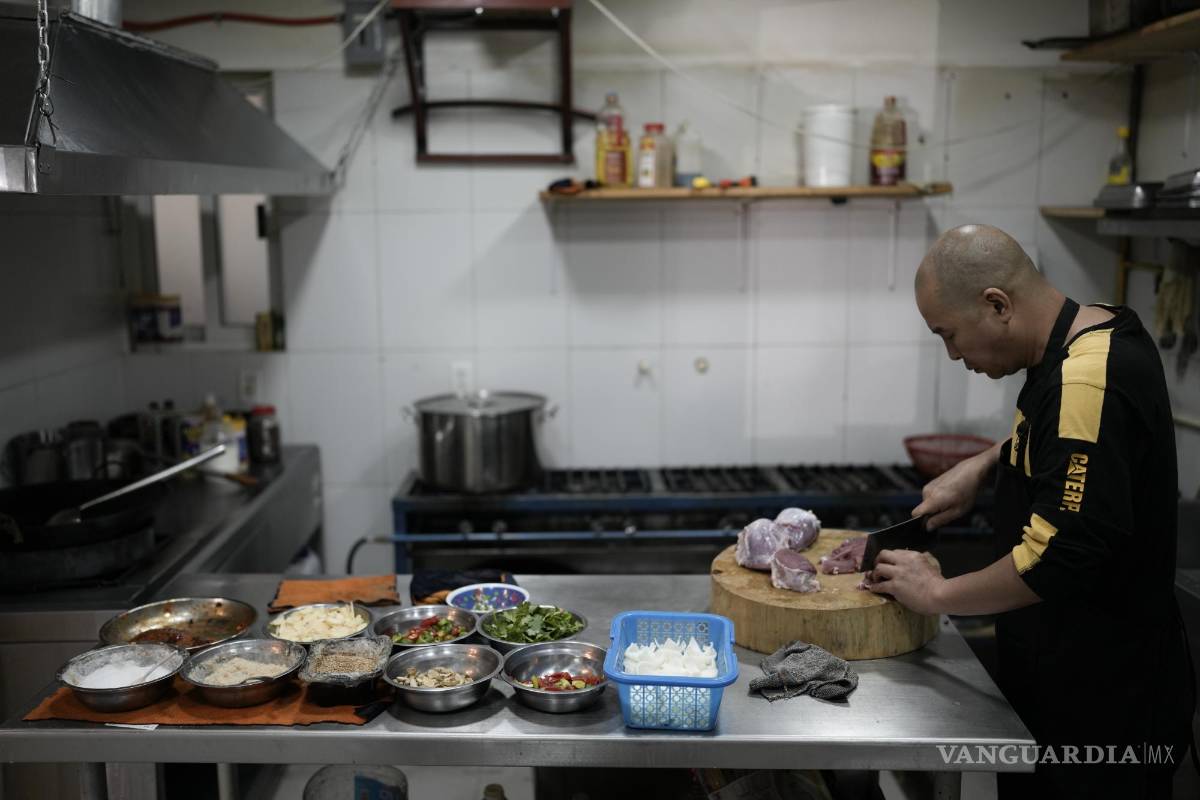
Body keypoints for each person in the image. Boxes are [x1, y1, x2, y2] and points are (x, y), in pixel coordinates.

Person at [865, 224, 1194, 798]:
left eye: (950, 334)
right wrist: (990, 462)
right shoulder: (1095, 330)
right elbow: (1074, 441)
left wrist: (937, 594)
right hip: (1061, 684)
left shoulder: (1090, 377)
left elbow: (1058, 557)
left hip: (1101, 709)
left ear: (997, 305)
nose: (953, 354)